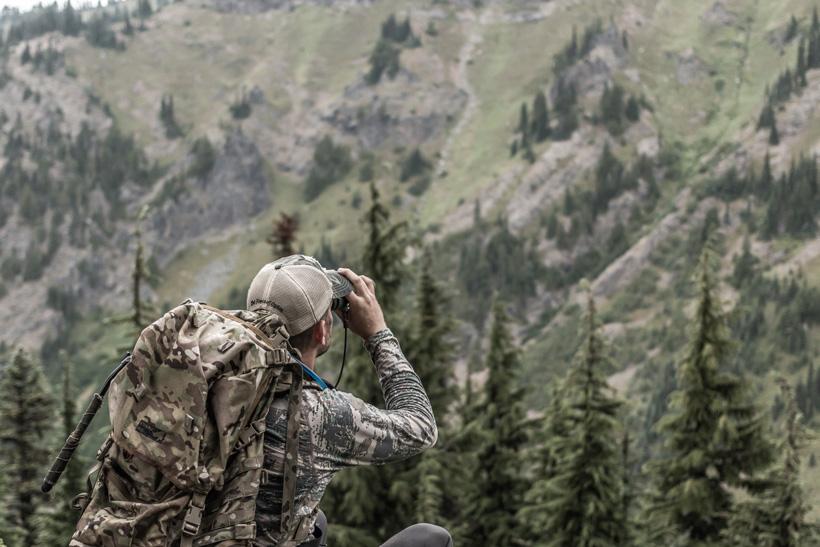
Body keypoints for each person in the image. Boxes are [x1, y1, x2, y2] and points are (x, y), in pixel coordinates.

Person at [244, 255, 453, 547]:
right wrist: (378, 335)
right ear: (322, 330)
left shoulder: (207, 383)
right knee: (431, 538)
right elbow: (421, 427)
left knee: (316, 524)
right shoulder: (318, 414)